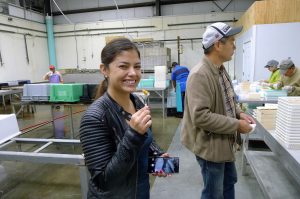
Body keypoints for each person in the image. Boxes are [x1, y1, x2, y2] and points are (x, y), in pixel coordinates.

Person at [79, 38, 169, 199]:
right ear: (104, 69)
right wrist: (133, 135)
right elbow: (103, 181)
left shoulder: (138, 103)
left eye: (137, 67)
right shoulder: (94, 117)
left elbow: (146, 141)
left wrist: (157, 157)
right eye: (123, 66)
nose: (133, 73)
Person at [181, 22, 255, 199]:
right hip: (211, 146)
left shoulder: (220, 70)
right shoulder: (200, 74)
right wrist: (237, 124)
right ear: (217, 45)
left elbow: (227, 99)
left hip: (223, 141)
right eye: (231, 41)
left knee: (229, 183)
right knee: (214, 192)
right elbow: (201, 117)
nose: (235, 46)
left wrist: (238, 113)